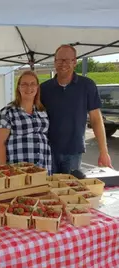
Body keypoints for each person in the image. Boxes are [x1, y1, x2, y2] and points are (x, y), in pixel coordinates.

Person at [40, 44, 113, 174]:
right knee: (49, 191)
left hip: (74, 152)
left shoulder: (87, 85)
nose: (63, 64)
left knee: (71, 190)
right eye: (60, 60)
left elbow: (96, 119)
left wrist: (104, 151)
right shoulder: (44, 88)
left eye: (68, 60)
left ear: (75, 62)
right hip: (47, 151)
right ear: (55, 62)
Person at [0, 70, 52, 174]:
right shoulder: (8, 111)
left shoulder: (42, 111)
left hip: (43, 167)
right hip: (19, 170)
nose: (29, 88)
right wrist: (3, 170)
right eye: (24, 84)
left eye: (32, 84)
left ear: (37, 87)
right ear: (18, 87)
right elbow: (0, 144)